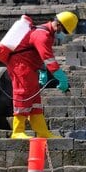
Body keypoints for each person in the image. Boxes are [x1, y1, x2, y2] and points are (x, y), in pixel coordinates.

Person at [6, 11, 78, 139]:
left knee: (35, 100)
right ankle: (17, 131)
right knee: (23, 94)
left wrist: (43, 71)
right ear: (59, 25)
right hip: (20, 65)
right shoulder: (42, 35)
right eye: (63, 31)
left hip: (30, 66)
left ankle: (42, 131)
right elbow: (49, 59)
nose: (61, 34)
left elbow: (40, 56)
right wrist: (61, 77)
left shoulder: (46, 34)